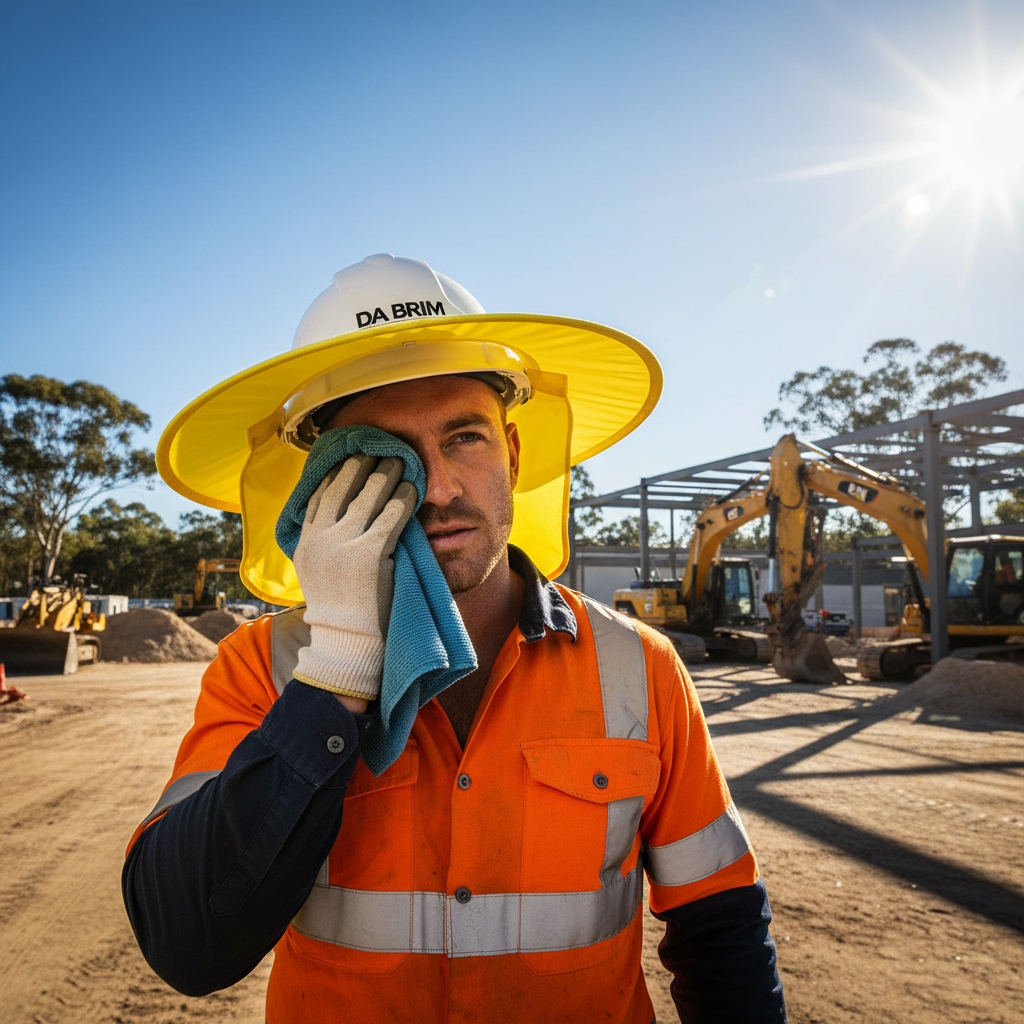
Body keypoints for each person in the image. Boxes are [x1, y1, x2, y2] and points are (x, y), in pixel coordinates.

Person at [123, 254, 787, 1023]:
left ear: (513, 449)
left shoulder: (639, 666)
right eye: (383, 457)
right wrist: (335, 667)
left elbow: (722, 931)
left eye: (464, 437)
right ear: (324, 487)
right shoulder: (263, 668)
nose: (437, 489)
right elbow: (186, 944)